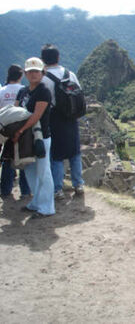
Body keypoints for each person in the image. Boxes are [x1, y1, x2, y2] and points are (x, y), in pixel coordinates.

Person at [40, 44, 84, 199]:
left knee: (57, 155)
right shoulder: (70, 74)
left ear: (43, 60)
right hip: (71, 117)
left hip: (54, 118)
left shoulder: (44, 79)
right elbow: (79, 93)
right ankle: (78, 184)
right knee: (75, 152)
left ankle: (57, 189)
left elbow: (42, 101)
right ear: (58, 57)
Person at [13, 57, 54, 218]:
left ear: (42, 73)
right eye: (30, 72)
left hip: (40, 137)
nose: (33, 74)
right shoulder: (22, 91)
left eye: (36, 71)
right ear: (25, 73)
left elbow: (36, 116)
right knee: (29, 170)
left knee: (43, 171)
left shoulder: (43, 91)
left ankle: (47, 207)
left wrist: (20, 130)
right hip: (25, 138)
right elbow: (15, 111)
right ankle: (36, 202)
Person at [0, 65, 31, 198]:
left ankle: (5, 190)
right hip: (22, 129)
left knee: (7, 159)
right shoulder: (24, 90)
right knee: (23, 158)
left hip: (5, 128)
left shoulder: (2, 91)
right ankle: (25, 191)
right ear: (21, 75)